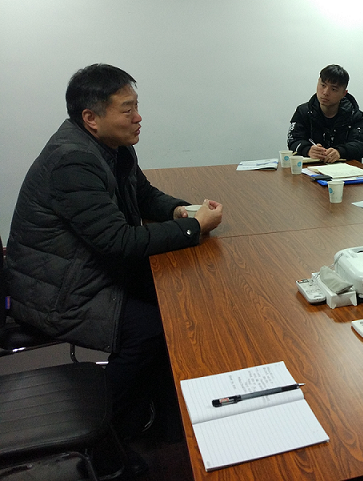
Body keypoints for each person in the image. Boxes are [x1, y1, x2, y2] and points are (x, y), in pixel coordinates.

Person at [4, 64, 224, 453]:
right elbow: (118, 241)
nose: (138, 117)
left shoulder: (113, 147)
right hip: (57, 292)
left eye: (136, 106)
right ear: (91, 118)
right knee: (151, 328)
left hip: (83, 271)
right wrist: (193, 228)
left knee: (175, 303)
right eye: (127, 109)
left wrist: (180, 211)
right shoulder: (72, 160)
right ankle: (110, 434)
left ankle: (162, 415)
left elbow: (144, 194)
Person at [287, 64, 363, 163]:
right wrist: (308, 150)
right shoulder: (303, 112)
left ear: (344, 93)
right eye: (323, 85)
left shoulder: (355, 116)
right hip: (311, 167)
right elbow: (293, 141)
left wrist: (340, 152)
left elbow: (360, 146)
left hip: (345, 168)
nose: (325, 92)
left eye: (333, 89)